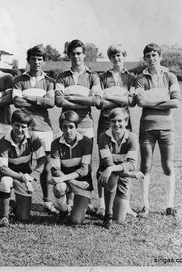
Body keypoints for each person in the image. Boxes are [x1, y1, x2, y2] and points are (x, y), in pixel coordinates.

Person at [55, 39, 101, 212]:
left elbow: (96, 101)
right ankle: (69, 200)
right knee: (67, 161)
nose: (76, 57)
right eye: (73, 54)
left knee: (85, 164)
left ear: (84, 55)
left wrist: (71, 97)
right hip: (67, 125)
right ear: (69, 55)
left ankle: (86, 200)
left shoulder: (93, 76)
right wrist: (84, 100)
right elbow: (59, 101)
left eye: (79, 53)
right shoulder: (62, 76)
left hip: (85, 125)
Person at [12, 45, 58, 215]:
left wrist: (29, 97)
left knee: (46, 166)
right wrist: (41, 100)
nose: (37, 62)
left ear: (44, 62)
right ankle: (21, 200)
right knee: (23, 163)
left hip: (44, 128)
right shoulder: (19, 80)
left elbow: (51, 103)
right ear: (28, 60)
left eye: (40, 59)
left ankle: (47, 201)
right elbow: (17, 102)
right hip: (24, 128)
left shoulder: (50, 81)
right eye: (33, 59)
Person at [135, 43, 180, 217]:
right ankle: (144, 205)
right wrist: (162, 100)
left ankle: (169, 205)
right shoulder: (141, 78)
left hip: (167, 128)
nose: (152, 59)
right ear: (144, 58)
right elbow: (140, 102)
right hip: (147, 127)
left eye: (155, 55)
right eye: (148, 56)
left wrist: (150, 102)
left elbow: (175, 102)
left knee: (167, 165)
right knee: (145, 165)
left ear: (160, 57)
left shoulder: (170, 76)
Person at [96, 44, 137, 217]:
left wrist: (109, 95)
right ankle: (102, 204)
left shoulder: (132, 77)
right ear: (110, 58)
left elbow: (131, 101)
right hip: (106, 121)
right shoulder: (102, 76)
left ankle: (124, 203)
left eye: (119, 55)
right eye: (113, 55)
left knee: (125, 160)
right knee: (104, 162)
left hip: (124, 122)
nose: (116, 58)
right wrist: (120, 99)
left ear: (124, 56)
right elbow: (99, 102)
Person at [0, 109, 46, 227]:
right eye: (16, 125)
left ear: (28, 127)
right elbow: (3, 169)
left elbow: (42, 160)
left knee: (23, 217)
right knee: (5, 181)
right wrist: (22, 177)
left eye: (23, 127)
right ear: (11, 124)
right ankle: (4, 216)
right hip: (10, 175)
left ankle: (13, 206)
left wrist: (32, 176)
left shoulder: (34, 138)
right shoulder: (4, 140)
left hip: (25, 177)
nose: (19, 130)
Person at [98, 108, 144, 229]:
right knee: (112, 177)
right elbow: (107, 163)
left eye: (120, 121)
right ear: (110, 122)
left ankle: (114, 207)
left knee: (119, 219)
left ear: (126, 121)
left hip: (122, 177)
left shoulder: (132, 138)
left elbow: (132, 164)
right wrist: (129, 174)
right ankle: (107, 214)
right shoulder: (103, 137)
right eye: (113, 121)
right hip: (107, 175)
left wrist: (116, 170)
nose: (116, 124)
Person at [50, 110, 93, 225]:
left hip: (83, 183)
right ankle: (63, 211)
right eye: (64, 127)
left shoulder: (86, 142)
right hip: (68, 182)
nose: (68, 131)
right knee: (58, 188)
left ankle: (78, 203)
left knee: (76, 221)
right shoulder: (55, 144)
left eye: (71, 127)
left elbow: (84, 170)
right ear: (60, 127)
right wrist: (74, 182)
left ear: (76, 127)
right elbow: (56, 171)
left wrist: (77, 183)